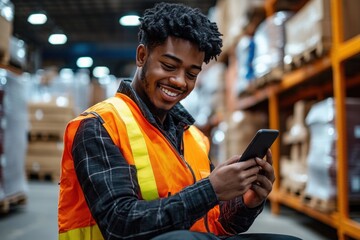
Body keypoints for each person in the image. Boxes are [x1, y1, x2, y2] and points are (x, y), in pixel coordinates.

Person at [58, 2, 300, 240]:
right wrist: (210, 190)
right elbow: (120, 225)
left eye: (192, 74)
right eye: (169, 66)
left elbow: (215, 223)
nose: (180, 81)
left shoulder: (193, 138)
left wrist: (247, 203)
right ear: (142, 56)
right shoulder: (99, 126)